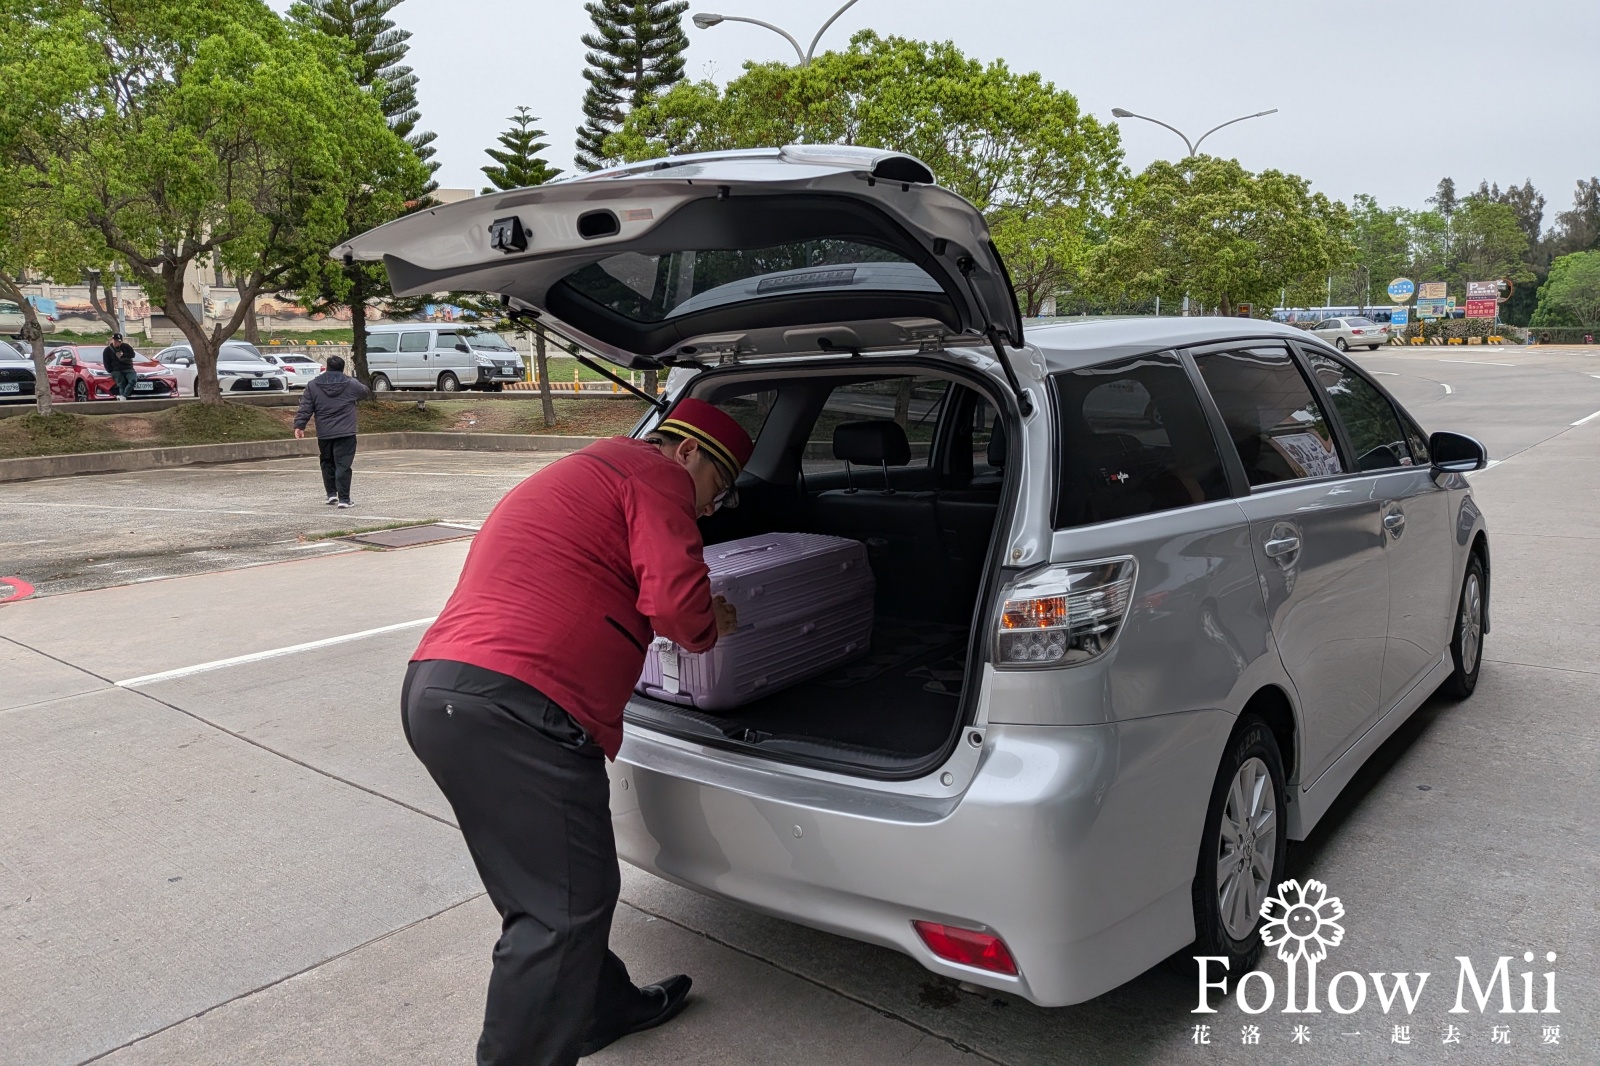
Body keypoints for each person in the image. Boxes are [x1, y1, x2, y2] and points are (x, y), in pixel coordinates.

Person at [403, 398, 753, 1066]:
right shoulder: (655, 474)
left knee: (553, 892)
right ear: (688, 452)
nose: (712, 508)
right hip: (520, 705)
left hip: (442, 692)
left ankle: (601, 1008)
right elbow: (677, 608)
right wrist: (712, 620)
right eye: (719, 486)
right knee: (559, 914)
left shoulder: (590, 469)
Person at [293, 354, 370, 508]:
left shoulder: (313, 385)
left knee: (327, 462)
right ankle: (344, 499)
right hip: (346, 432)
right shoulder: (350, 383)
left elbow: (306, 407)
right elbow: (365, 392)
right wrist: (349, 378)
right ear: (342, 368)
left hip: (324, 432)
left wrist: (300, 425)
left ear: (327, 367)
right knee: (343, 465)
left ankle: (331, 494)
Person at [101, 333, 138, 400]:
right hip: (116, 370)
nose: (117, 343)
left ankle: (123, 396)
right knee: (121, 383)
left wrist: (123, 355)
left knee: (133, 380)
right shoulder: (107, 350)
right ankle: (122, 399)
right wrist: (110, 370)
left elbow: (132, 355)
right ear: (112, 340)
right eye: (115, 341)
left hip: (128, 368)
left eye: (119, 341)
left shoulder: (126, 346)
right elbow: (106, 362)